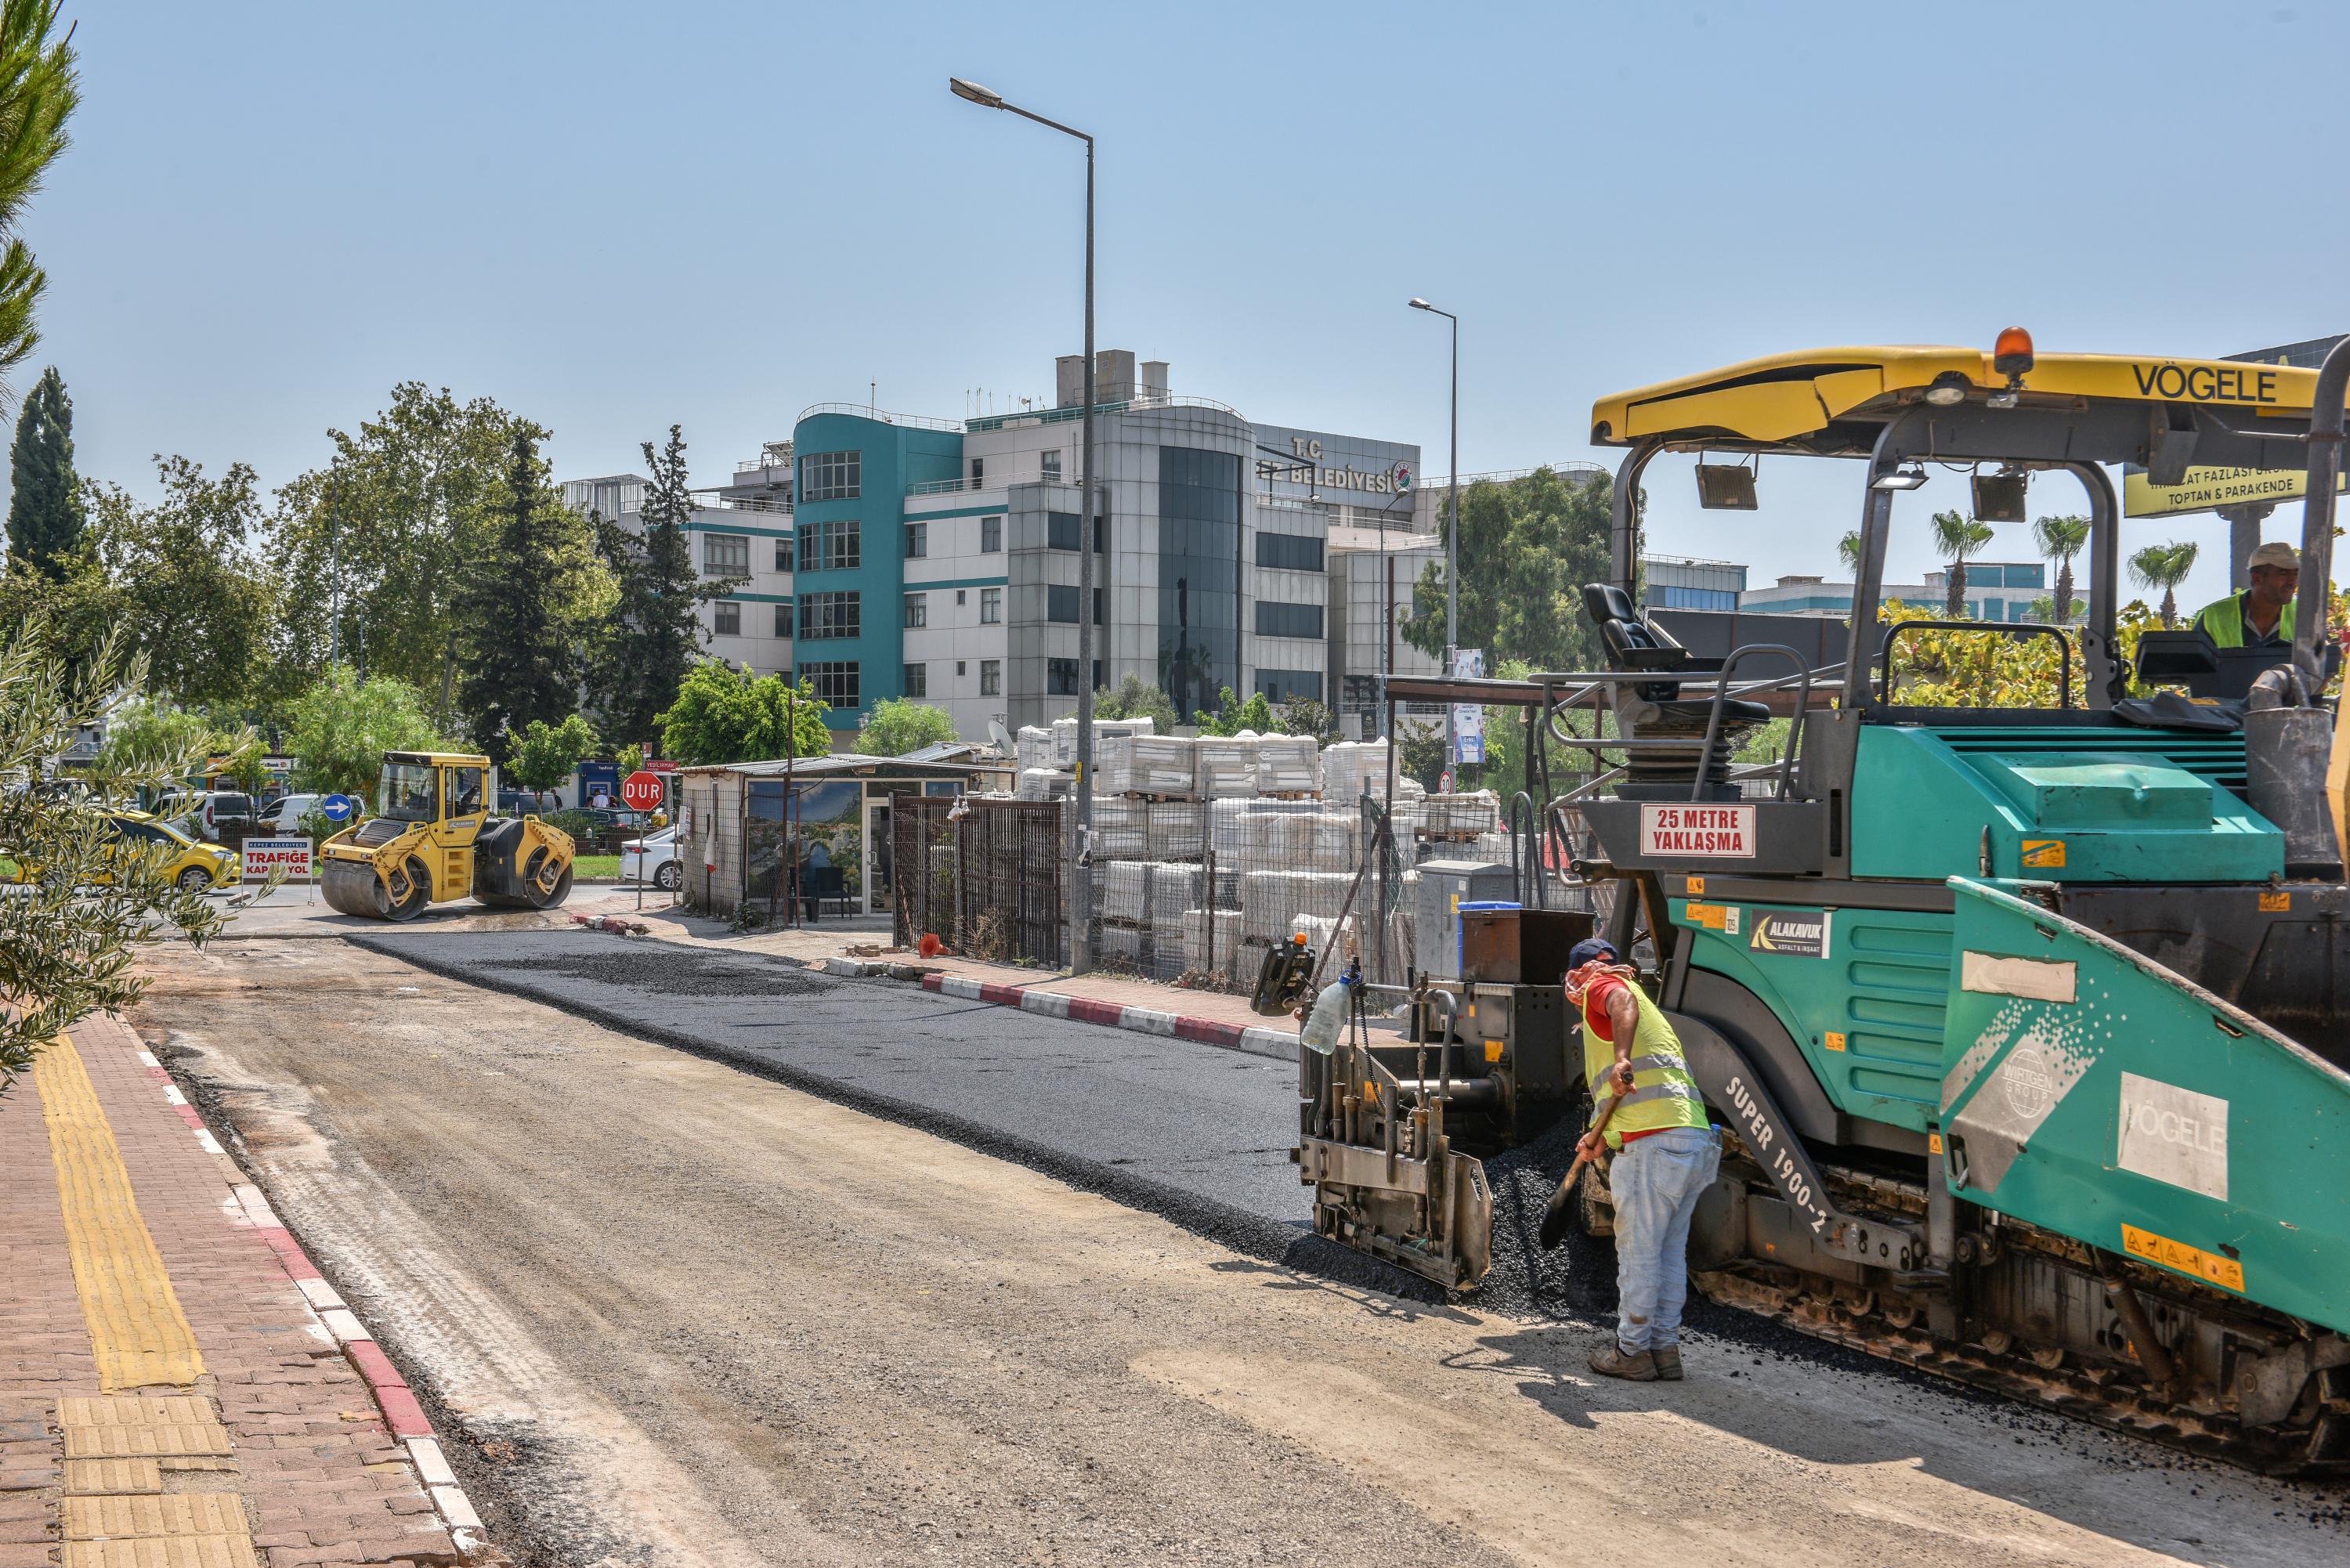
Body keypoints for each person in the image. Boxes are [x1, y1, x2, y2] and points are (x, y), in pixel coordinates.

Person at [1564, 936, 1721, 1382]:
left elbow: (1617, 1004)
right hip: (1690, 1140)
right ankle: (1663, 1351)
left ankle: (1630, 1353)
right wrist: (1598, 1137)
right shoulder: (1650, 1009)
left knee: (1639, 1255)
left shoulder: (1604, 984)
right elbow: (1632, 1094)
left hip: (1654, 1147)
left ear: (1582, 970)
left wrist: (1618, 1058)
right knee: (1669, 1254)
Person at [2191, 541, 2299, 648]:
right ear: (2256, 578)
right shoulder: (2214, 617)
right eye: (2283, 573)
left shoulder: (2303, 616)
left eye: (2296, 574)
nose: (2293, 582)